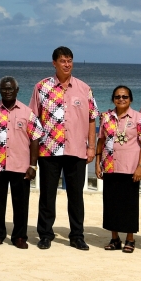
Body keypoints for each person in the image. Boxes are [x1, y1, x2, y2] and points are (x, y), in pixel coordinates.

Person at [29, 46, 97, 250]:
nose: (67, 64)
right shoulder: (41, 87)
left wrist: (91, 147)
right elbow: (33, 119)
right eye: (62, 61)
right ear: (54, 63)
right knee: (47, 195)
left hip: (76, 149)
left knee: (76, 196)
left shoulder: (84, 88)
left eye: (69, 60)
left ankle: (77, 235)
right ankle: (45, 234)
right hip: (49, 150)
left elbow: (92, 118)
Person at [0, 77, 43, 249]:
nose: (7, 91)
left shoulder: (27, 112)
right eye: (4, 89)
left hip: (21, 166)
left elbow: (35, 139)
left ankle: (19, 236)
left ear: (17, 90)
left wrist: (32, 166)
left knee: (21, 204)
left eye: (11, 88)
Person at [96, 85, 141, 253]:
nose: (121, 99)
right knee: (111, 203)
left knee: (129, 204)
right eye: (118, 97)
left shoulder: (138, 118)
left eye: (125, 97)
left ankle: (130, 239)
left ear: (130, 99)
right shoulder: (106, 117)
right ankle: (114, 238)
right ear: (113, 99)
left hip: (130, 166)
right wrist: (97, 163)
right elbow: (101, 140)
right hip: (110, 165)